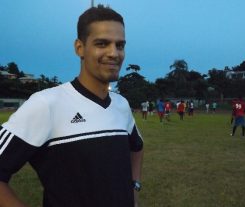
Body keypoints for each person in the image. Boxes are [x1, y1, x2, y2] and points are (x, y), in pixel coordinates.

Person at [0, 5, 144, 207]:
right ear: (79, 48)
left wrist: (134, 187)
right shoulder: (46, 104)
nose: (114, 53)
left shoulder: (121, 104)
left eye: (120, 45)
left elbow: (137, 147)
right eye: (102, 44)